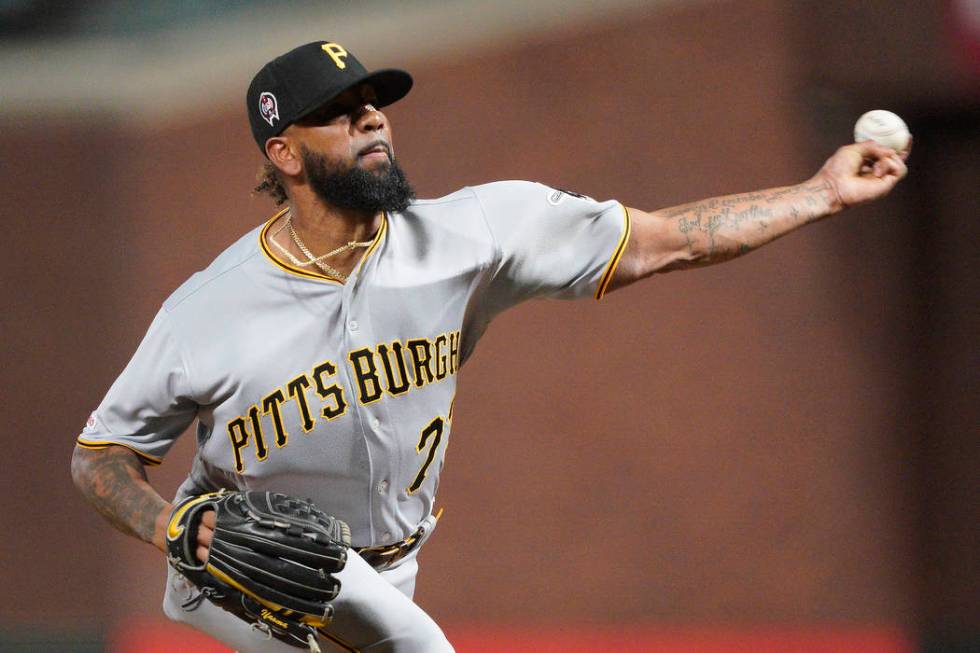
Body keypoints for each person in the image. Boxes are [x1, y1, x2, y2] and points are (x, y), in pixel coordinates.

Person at [70, 41, 909, 653]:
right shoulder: (207, 310)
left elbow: (664, 241)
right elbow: (102, 455)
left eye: (372, 101)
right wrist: (177, 527)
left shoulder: (473, 232)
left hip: (393, 558)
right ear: (283, 153)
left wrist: (819, 194)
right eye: (337, 111)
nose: (369, 117)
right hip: (245, 565)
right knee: (415, 646)